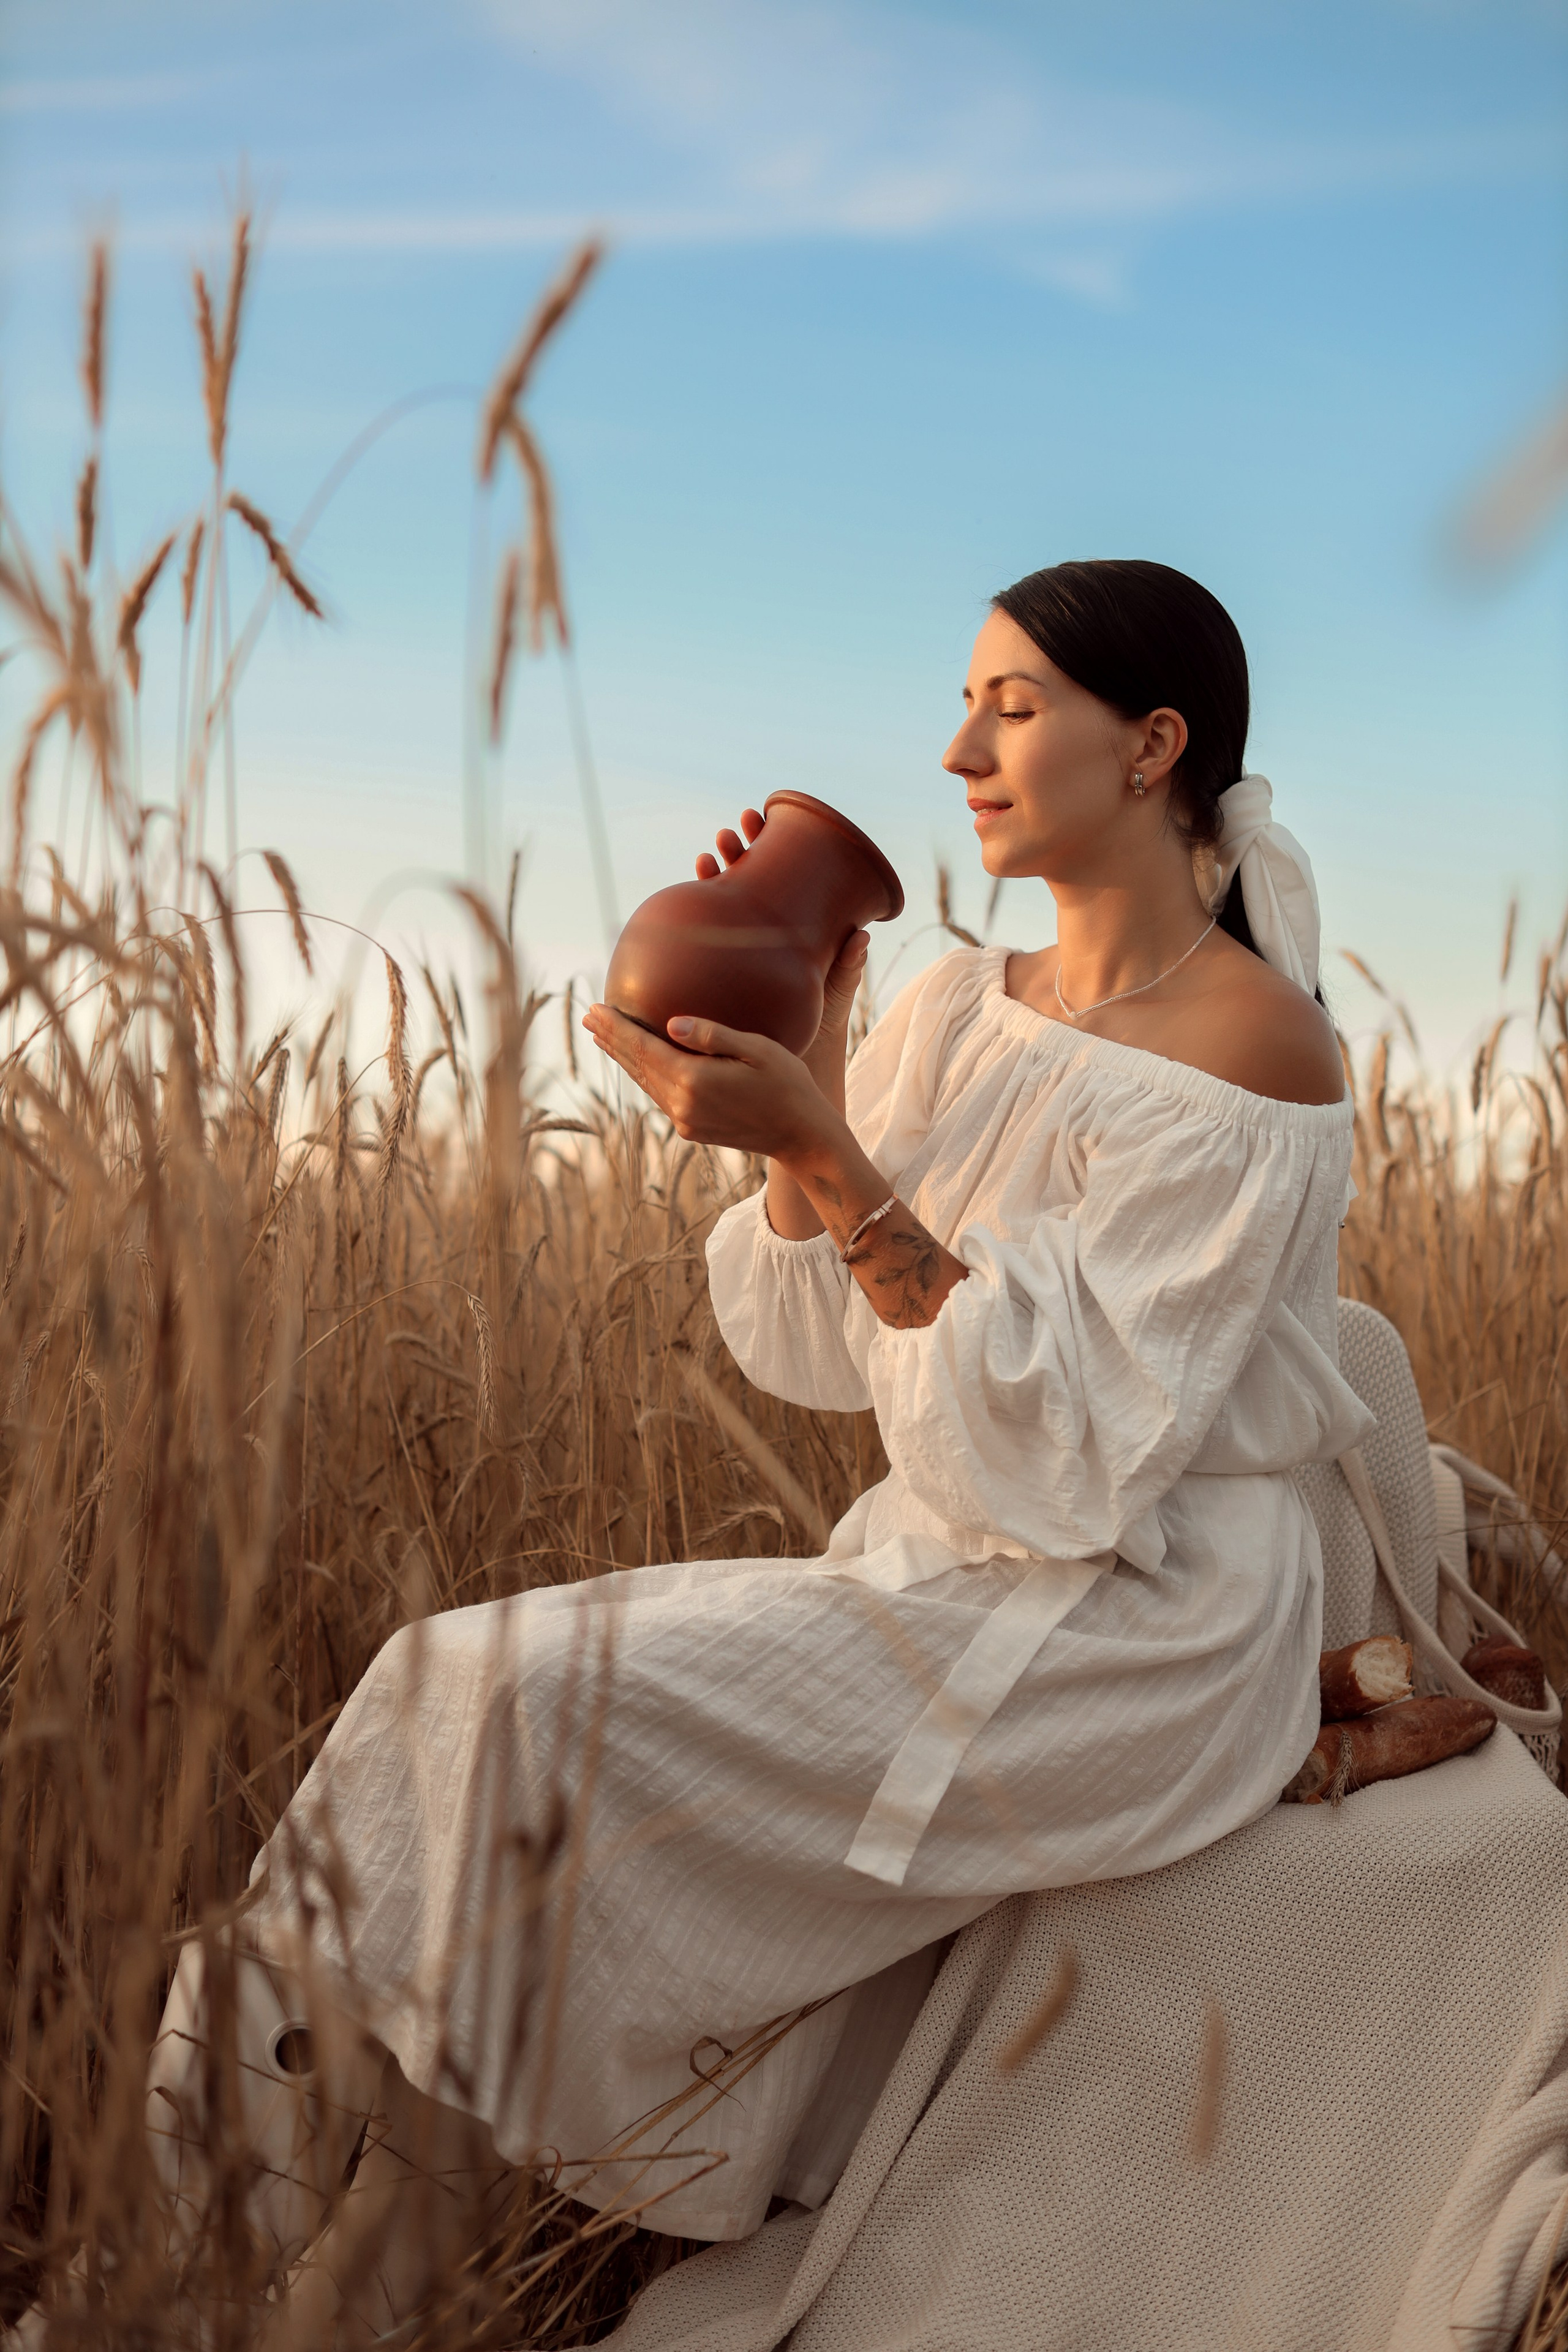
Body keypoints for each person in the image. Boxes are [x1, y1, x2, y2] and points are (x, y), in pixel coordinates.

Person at [143, 559, 1375, 2340]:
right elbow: (829, 1352)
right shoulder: (957, 1005)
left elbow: (1077, 1465)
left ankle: (293, 2253)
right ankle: (243, 2233)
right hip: (949, 1551)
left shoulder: (1260, 1054)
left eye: (1015, 707)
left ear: (1154, 745)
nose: (961, 745)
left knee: (508, 1698)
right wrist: (803, 1095)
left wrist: (842, 1156)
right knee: (449, 1690)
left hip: (1140, 1620)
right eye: (967, 699)